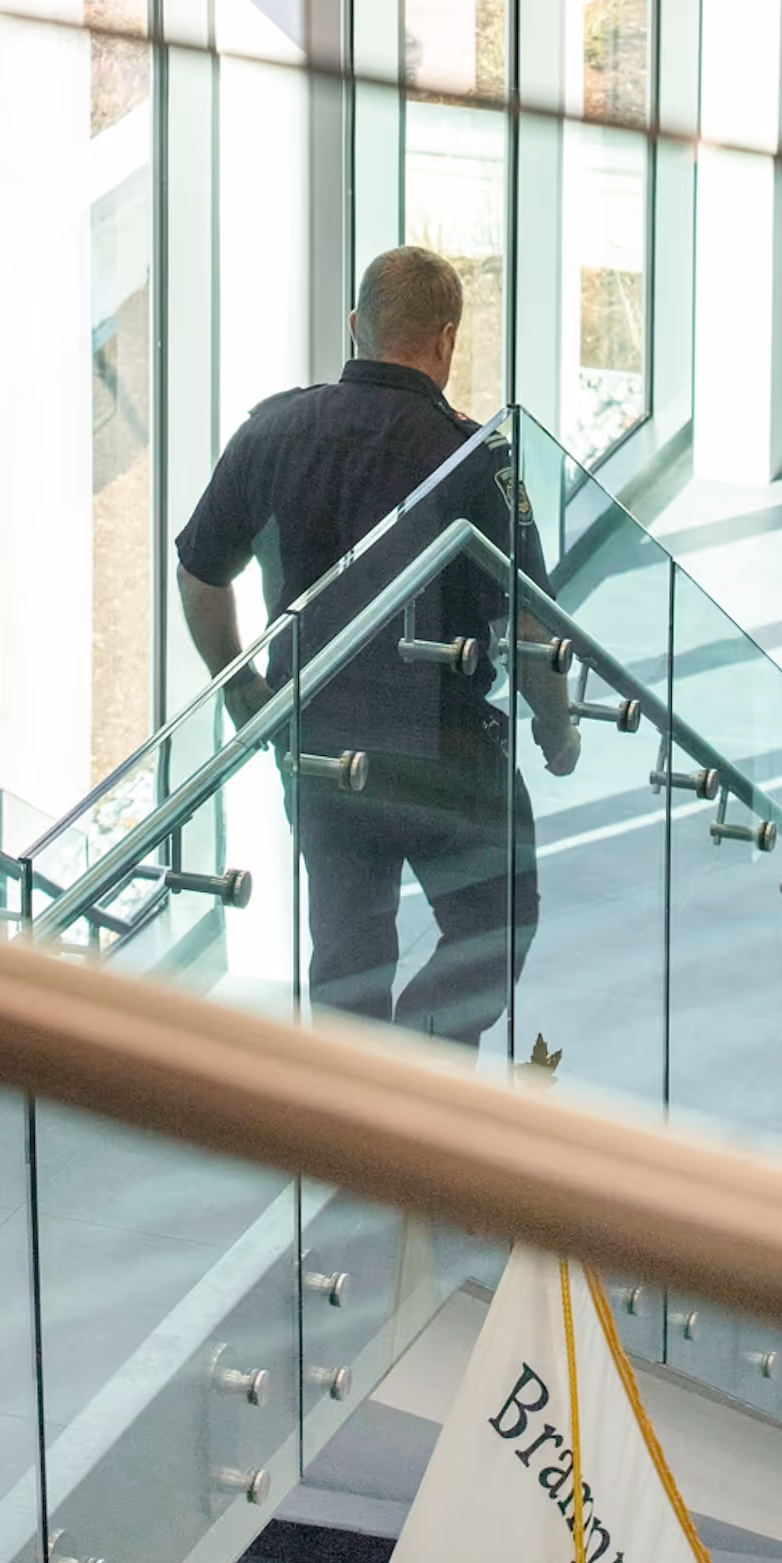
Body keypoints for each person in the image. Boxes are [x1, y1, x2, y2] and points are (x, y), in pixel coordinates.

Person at [175, 245, 579, 1047]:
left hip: (321, 749)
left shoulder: (274, 430)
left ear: (356, 327)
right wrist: (557, 727)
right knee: (496, 923)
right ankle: (422, 1078)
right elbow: (532, 630)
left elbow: (198, 573)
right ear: (445, 341)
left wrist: (240, 686)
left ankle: (356, 1128)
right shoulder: (473, 458)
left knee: (348, 954)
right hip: (447, 755)